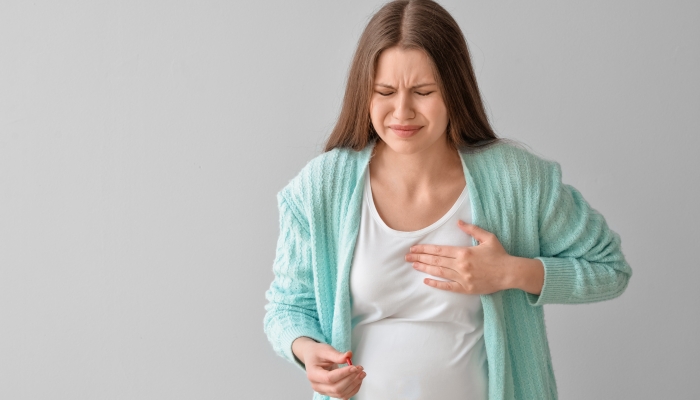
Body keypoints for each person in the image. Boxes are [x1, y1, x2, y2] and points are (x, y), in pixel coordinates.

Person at [263, 0, 632, 399]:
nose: (401, 112)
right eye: (385, 92)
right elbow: (286, 307)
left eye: (422, 92)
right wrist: (307, 351)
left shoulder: (516, 181)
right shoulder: (322, 188)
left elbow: (610, 269)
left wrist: (510, 273)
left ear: (454, 91)